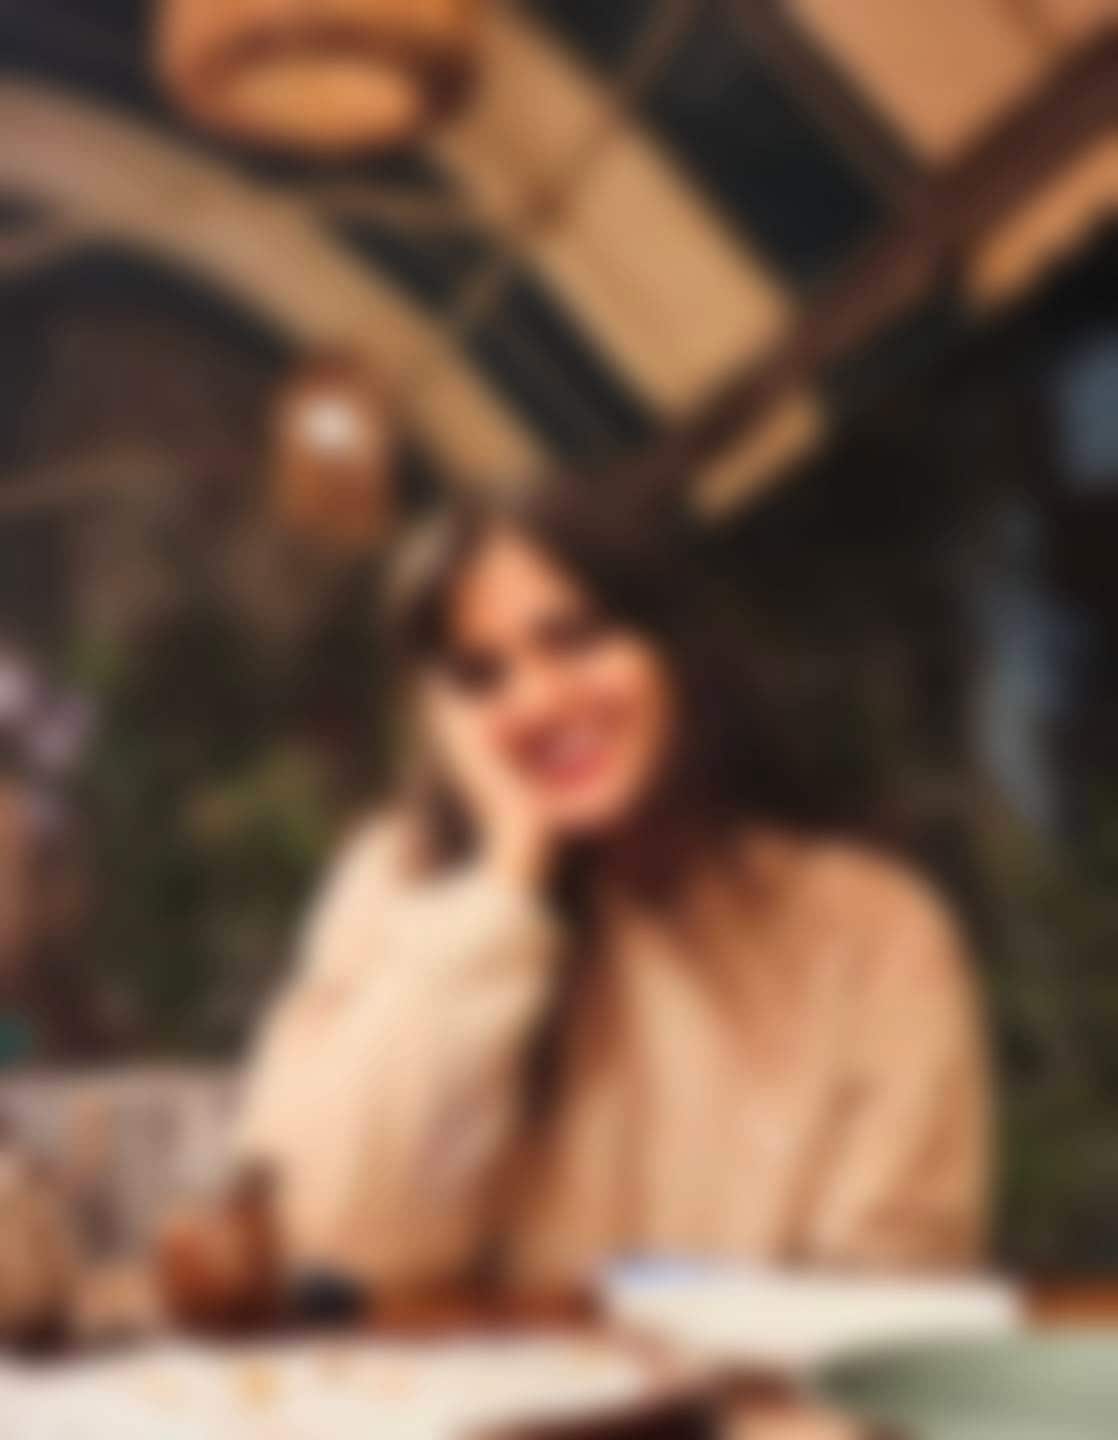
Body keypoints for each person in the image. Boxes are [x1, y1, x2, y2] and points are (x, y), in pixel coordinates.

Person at [237, 479, 992, 1295]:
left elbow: (895, 1293)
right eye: (483, 677)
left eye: (577, 639)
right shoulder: (398, 887)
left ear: (676, 648)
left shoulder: (871, 929)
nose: (539, 699)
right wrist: (505, 883)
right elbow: (331, 1245)